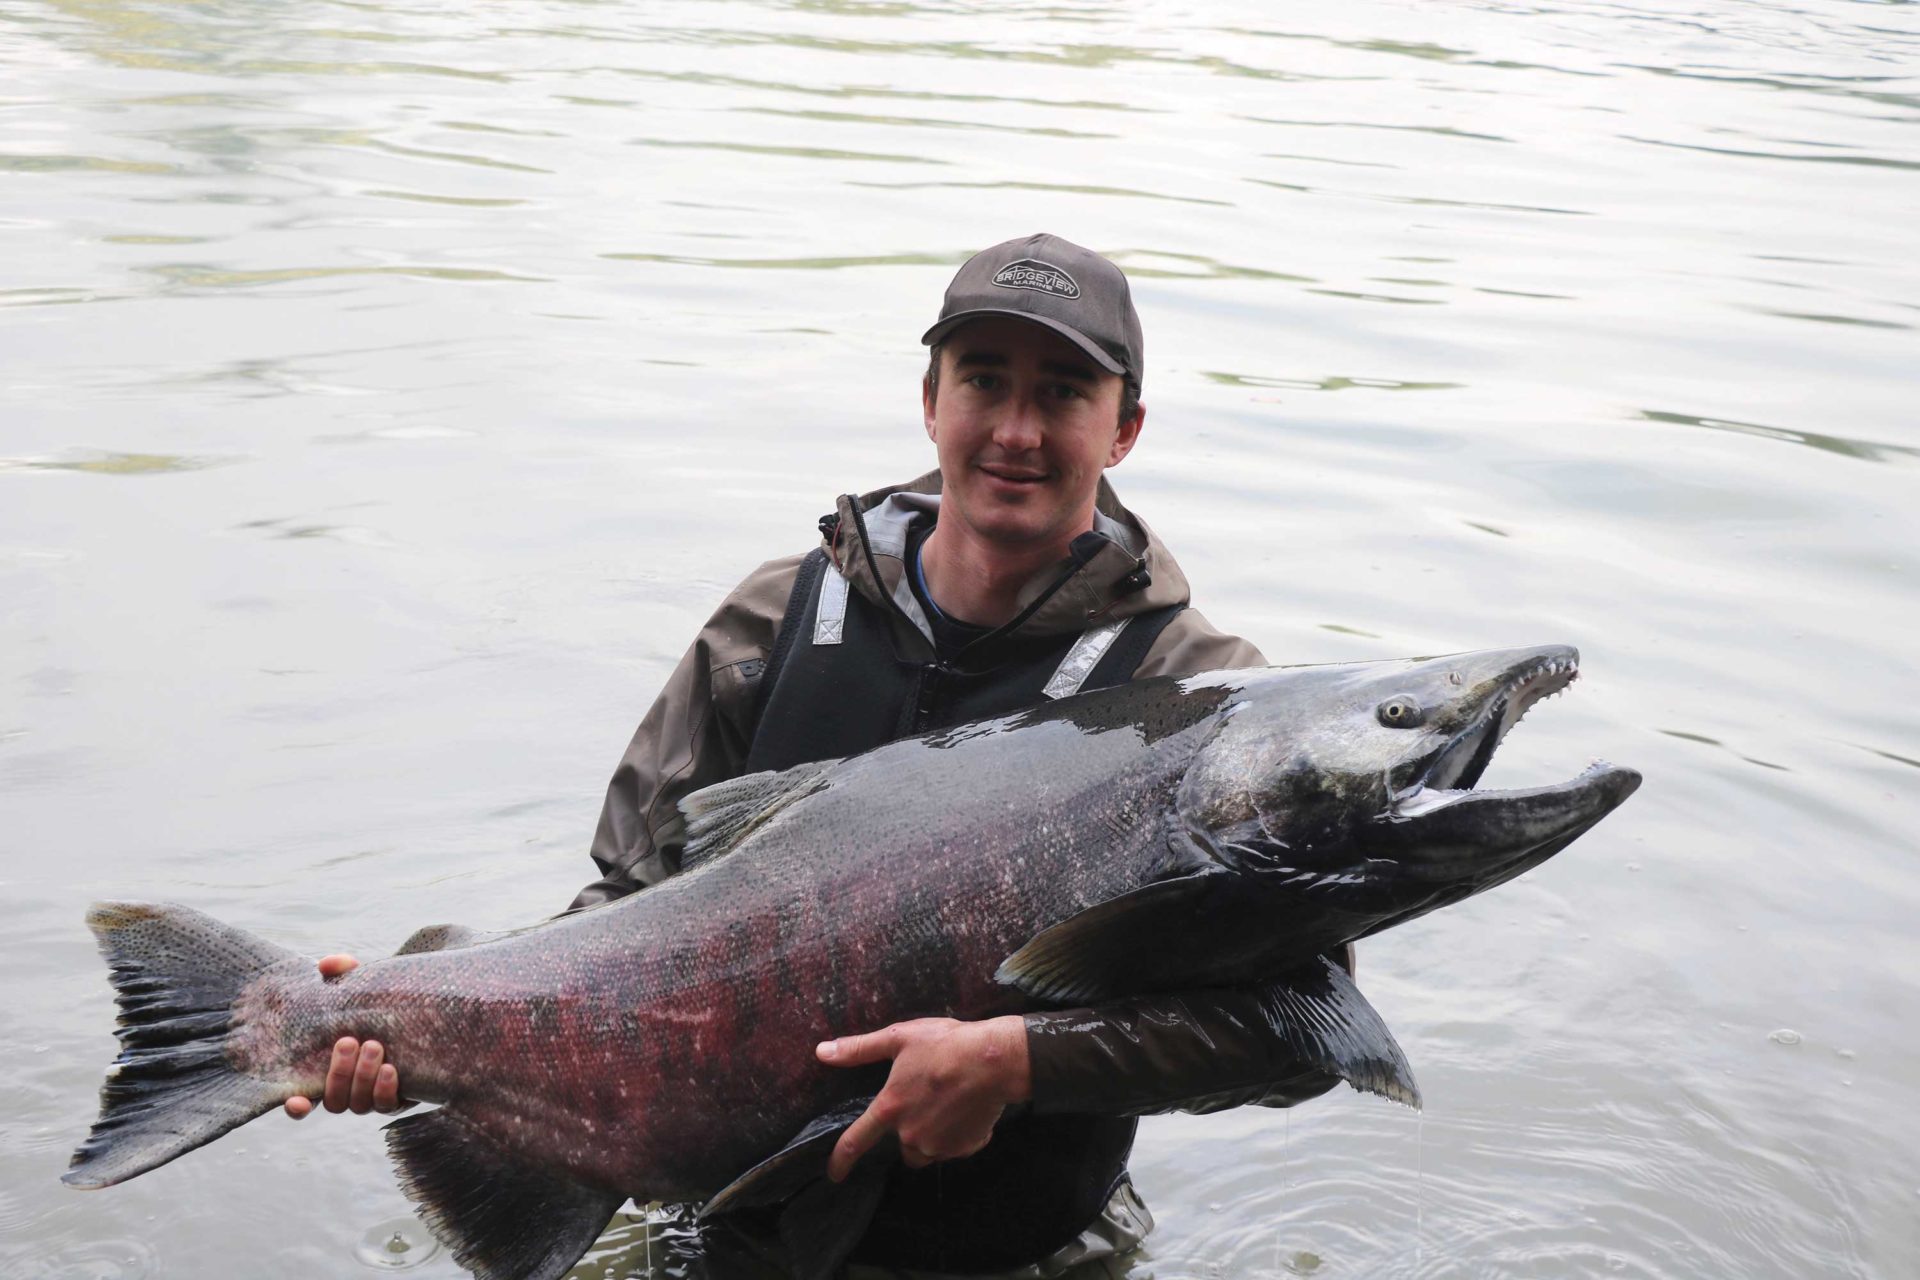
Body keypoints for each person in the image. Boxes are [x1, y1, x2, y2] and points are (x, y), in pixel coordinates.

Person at [289, 233, 1352, 1278]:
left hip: (1018, 1245)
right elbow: (622, 906)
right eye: (985, 379)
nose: (1016, 430)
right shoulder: (777, 618)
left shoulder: (1204, 698)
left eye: (1064, 392)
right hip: (725, 1222)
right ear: (931, 399)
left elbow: (1304, 1023)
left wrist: (1020, 1063)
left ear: (1123, 429)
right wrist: (428, 1022)